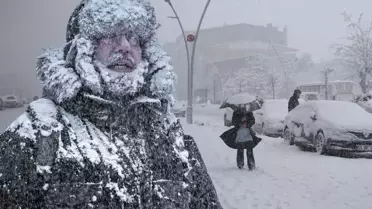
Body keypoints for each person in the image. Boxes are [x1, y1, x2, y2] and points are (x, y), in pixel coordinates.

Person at [0, 0, 222, 208]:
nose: (125, 46)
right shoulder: (36, 135)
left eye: (134, 37)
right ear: (82, 48)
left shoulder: (170, 135)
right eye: (110, 35)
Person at [232, 104, 256, 170]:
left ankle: (251, 164)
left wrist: (247, 124)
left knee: (249, 148)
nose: (242, 106)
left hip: (248, 132)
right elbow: (233, 122)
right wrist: (240, 122)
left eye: (244, 105)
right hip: (239, 133)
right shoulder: (236, 112)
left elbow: (253, 121)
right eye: (241, 105)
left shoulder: (249, 112)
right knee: (240, 149)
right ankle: (240, 164)